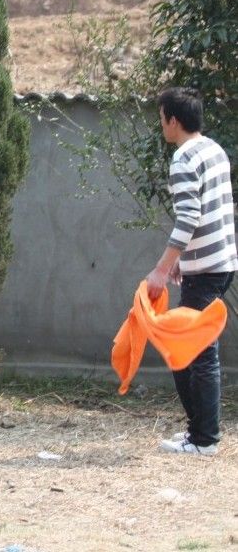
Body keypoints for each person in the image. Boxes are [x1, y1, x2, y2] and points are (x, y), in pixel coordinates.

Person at [145, 87, 237, 456]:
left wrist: (161, 270)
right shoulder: (213, 150)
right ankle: (200, 433)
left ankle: (203, 439)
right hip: (223, 261)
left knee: (194, 351)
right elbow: (211, 212)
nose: (161, 124)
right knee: (193, 348)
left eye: (161, 116)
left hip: (206, 268)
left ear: (173, 119)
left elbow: (188, 217)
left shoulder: (183, 159)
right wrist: (184, 260)